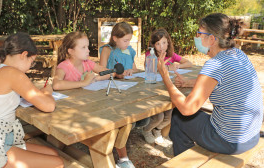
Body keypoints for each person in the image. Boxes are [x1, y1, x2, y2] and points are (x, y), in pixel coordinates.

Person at [157, 13, 263, 156]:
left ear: (211, 39)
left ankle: (183, 159)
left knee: (178, 116)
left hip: (230, 141)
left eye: (199, 33)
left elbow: (187, 109)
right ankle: (182, 149)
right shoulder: (239, 55)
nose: (197, 38)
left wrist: (165, 77)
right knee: (195, 115)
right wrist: (187, 82)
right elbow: (222, 82)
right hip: (251, 135)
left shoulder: (215, 64)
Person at [0, 32, 64, 168]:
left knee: (53, 153)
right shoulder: (12, 73)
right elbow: (49, 106)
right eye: (31, 62)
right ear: (24, 55)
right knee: (57, 163)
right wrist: (47, 92)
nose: (30, 67)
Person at [99, 21, 148, 168]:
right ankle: (123, 158)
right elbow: (101, 71)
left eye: (129, 40)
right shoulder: (107, 50)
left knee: (138, 118)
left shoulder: (130, 51)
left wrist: (131, 71)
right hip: (109, 91)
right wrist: (117, 74)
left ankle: (121, 145)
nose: (128, 43)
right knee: (123, 120)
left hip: (127, 90)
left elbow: (135, 69)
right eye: (125, 40)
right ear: (115, 38)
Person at [142, 28, 193, 145]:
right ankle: (146, 130)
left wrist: (177, 66)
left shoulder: (172, 55)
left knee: (168, 117)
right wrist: (167, 68)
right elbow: (150, 69)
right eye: (158, 43)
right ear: (153, 45)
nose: (161, 46)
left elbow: (189, 63)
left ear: (168, 43)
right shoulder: (150, 55)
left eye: (164, 43)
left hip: (168, 91)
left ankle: (157, 130)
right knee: (158, 117)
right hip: (153, 91)